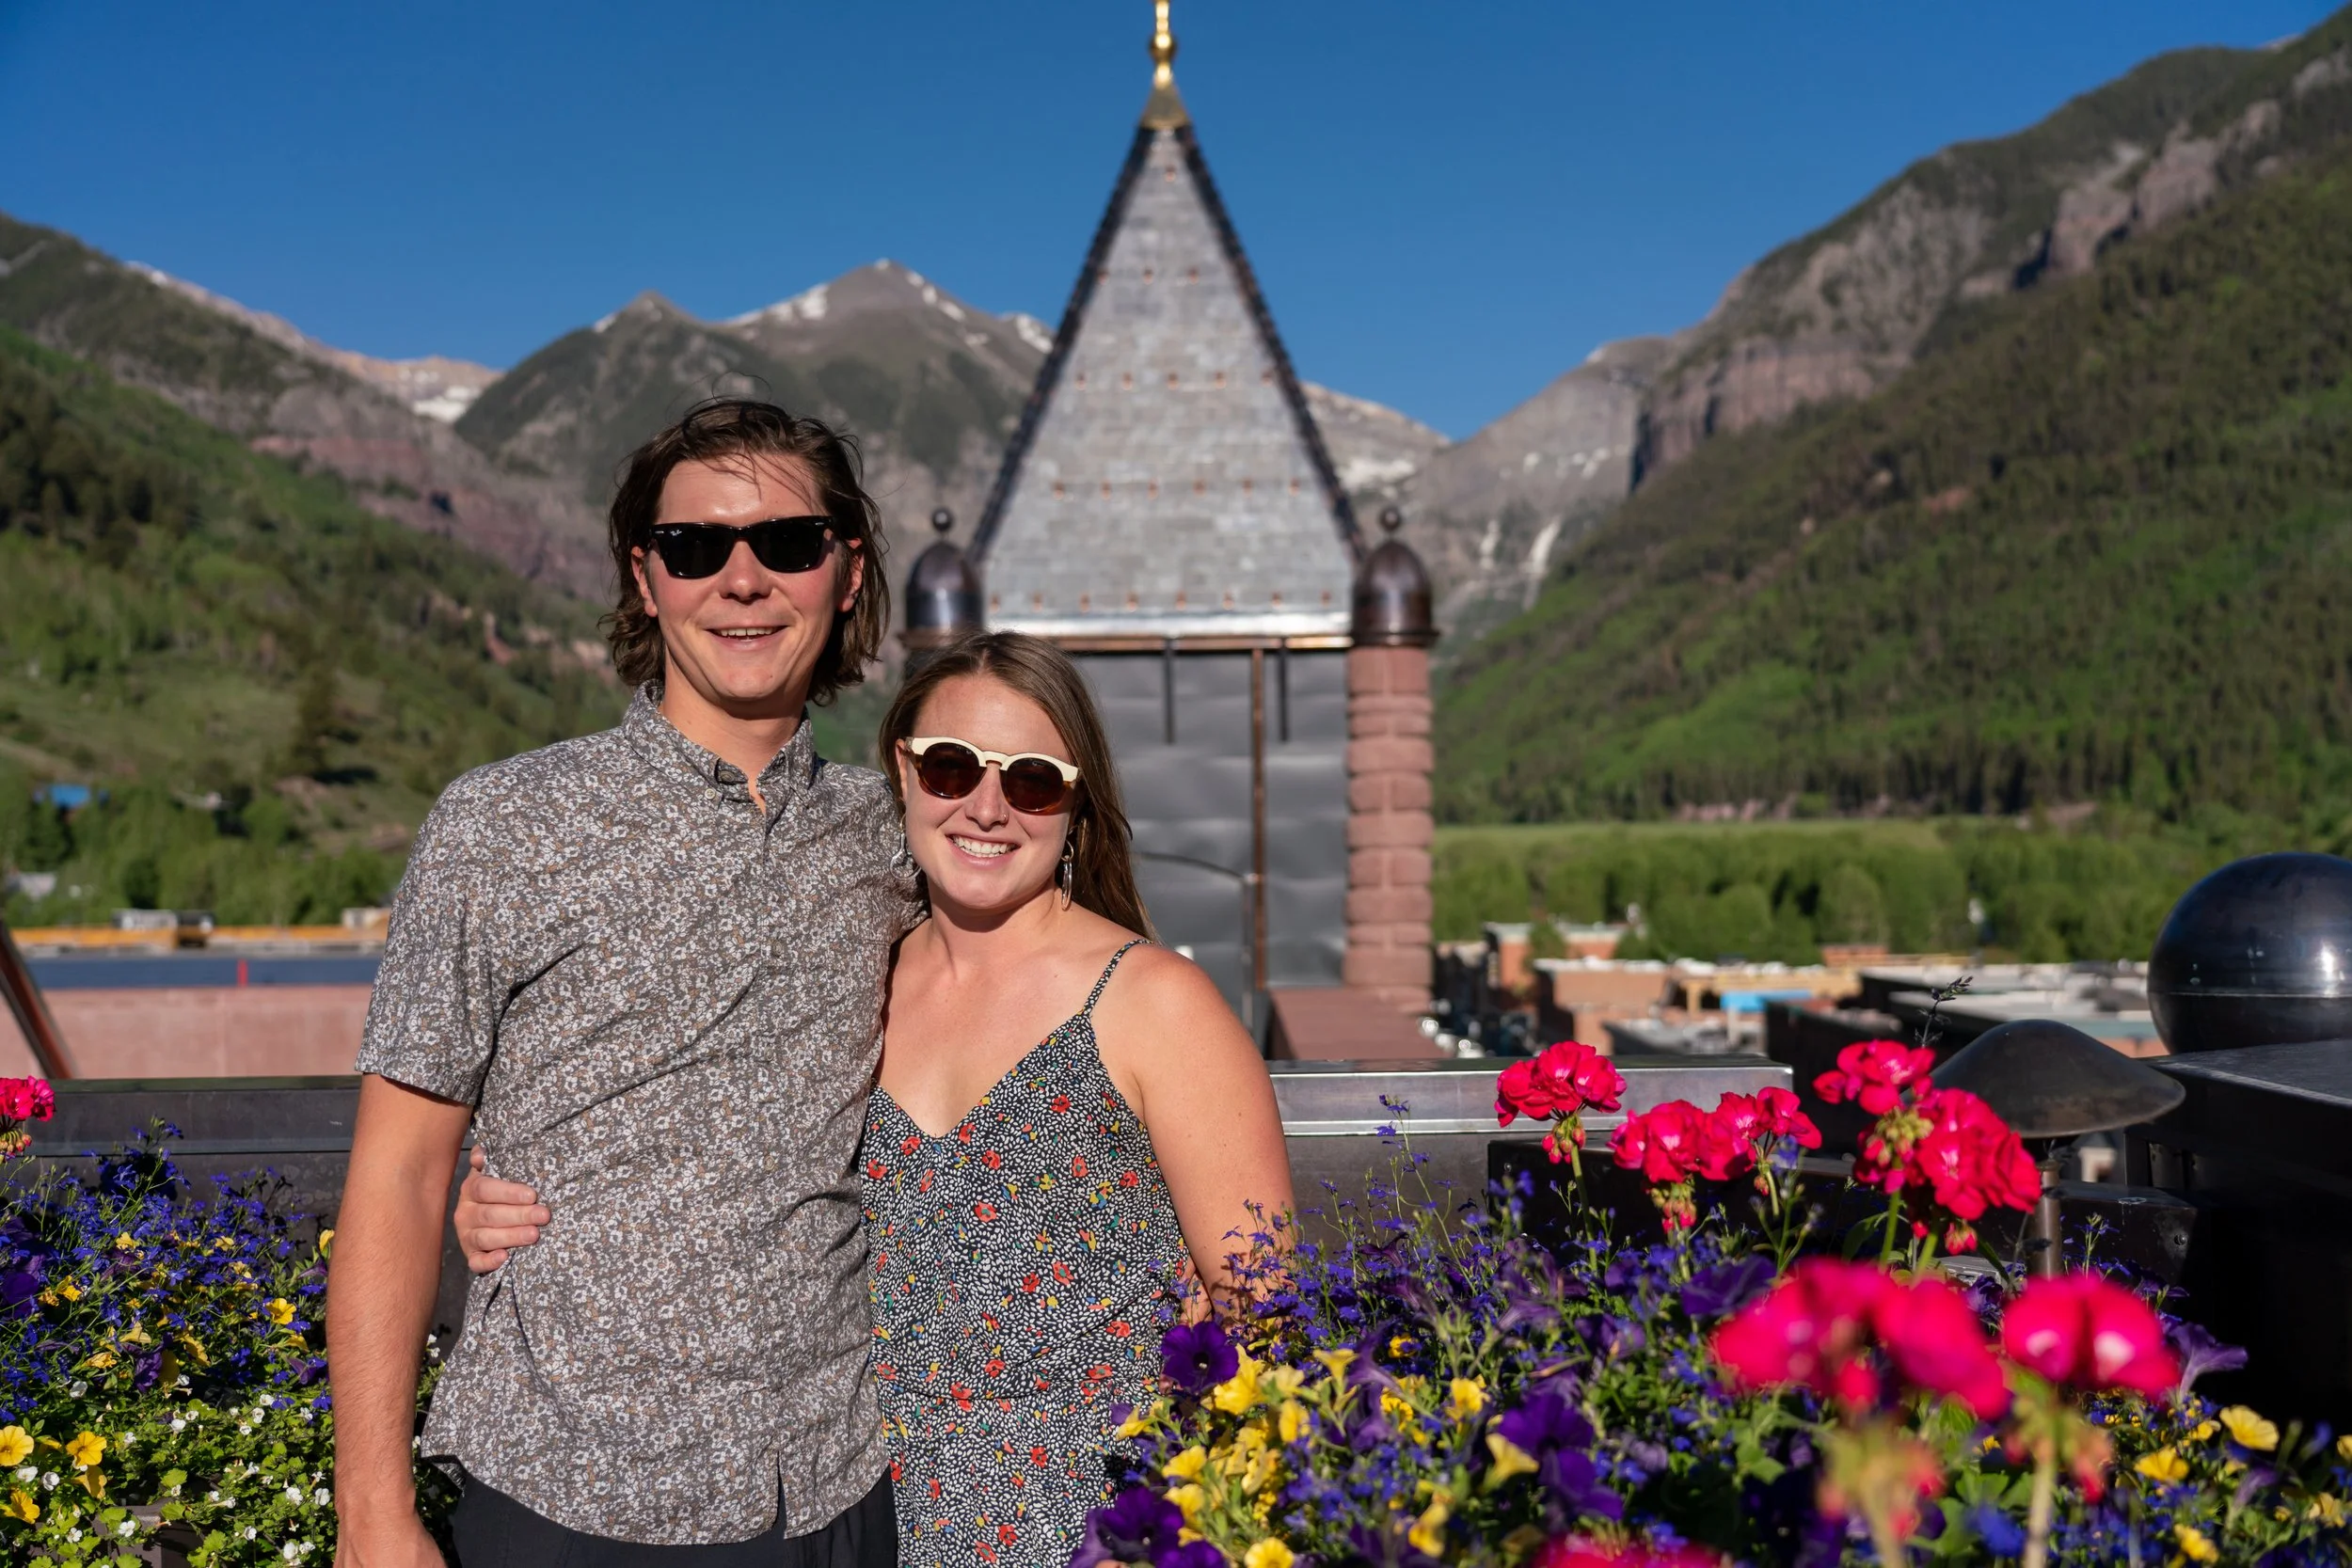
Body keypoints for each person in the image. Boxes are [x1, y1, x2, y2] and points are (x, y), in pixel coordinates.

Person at [454, 629, 1295, 1568]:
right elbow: (695, 1133)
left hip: (1095, 1530)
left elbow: (1258, 1302)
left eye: (1029, 779)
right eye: (949, 766)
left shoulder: (1154, 1003)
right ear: (903, 771)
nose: (985, 806)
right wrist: (514, 1191)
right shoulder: (862, 970)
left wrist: (1179, 1521)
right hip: (865, 1522)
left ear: (1075, 800)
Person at [328, 399, 913, 1568]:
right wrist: (373, 1512)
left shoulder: (892, 834)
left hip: (843, 1478)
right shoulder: (500, 823)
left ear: (845, 573)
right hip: (569, 1488)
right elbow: (396, 1171)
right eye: (695, 547)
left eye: (787, 542)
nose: (741, 579)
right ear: (645, 580)